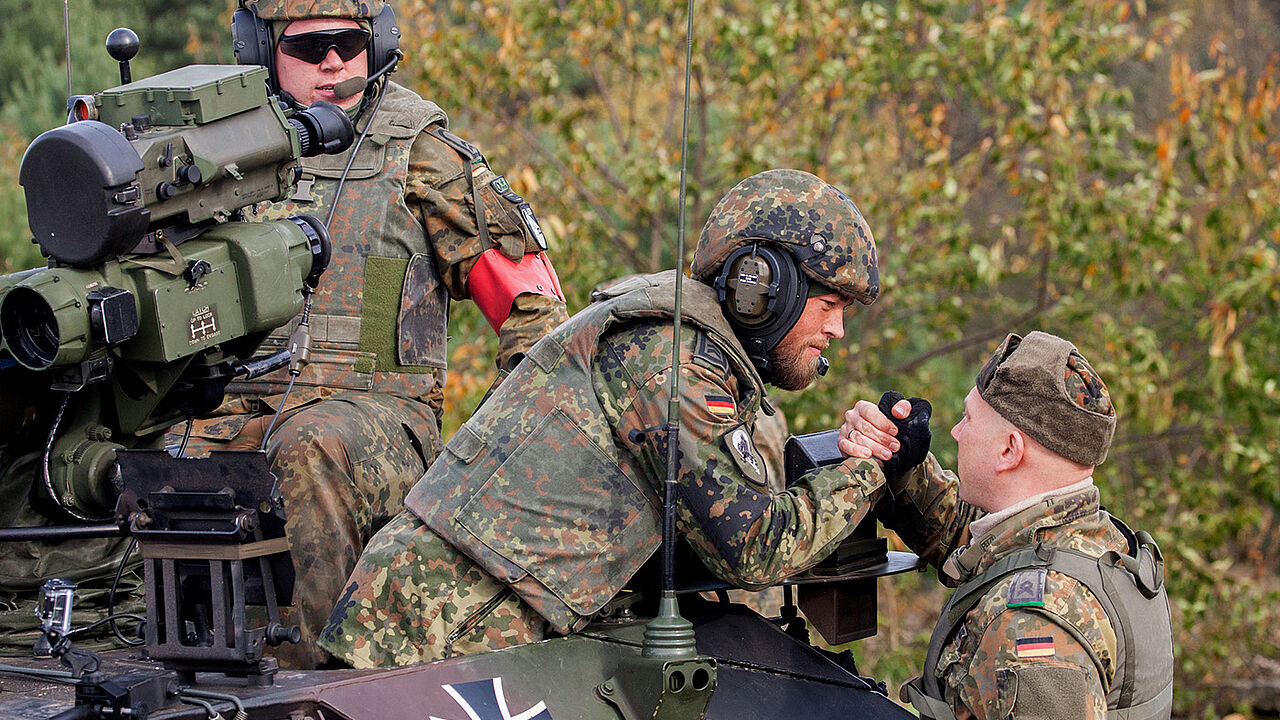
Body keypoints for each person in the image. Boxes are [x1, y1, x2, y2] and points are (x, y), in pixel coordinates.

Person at [318, 168, 885, 667]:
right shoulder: (667, 362)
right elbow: (755, 546)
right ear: (760, 290)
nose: (836, 331)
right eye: (829, 306)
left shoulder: (692, 352)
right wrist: (866, 470)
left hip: (470, 621)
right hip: (429, 629)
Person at [164, 0, 570, 668]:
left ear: (378, 44)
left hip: (379, 414)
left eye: (349, 43)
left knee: (310, 445)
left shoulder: (418, 152)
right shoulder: (221, 149)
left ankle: (323, 686)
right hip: (241, 403)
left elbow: (533, 308)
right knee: (139, 455)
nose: (332, 62)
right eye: (309, 47)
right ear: (259, 51)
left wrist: (502, 447)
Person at [841, 331, 1174, 720]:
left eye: (968, 418)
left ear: (1009, 451)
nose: (956, 432)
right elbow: (986, 548)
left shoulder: (1032, 624)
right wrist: (902, 464)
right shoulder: (1095, 537)